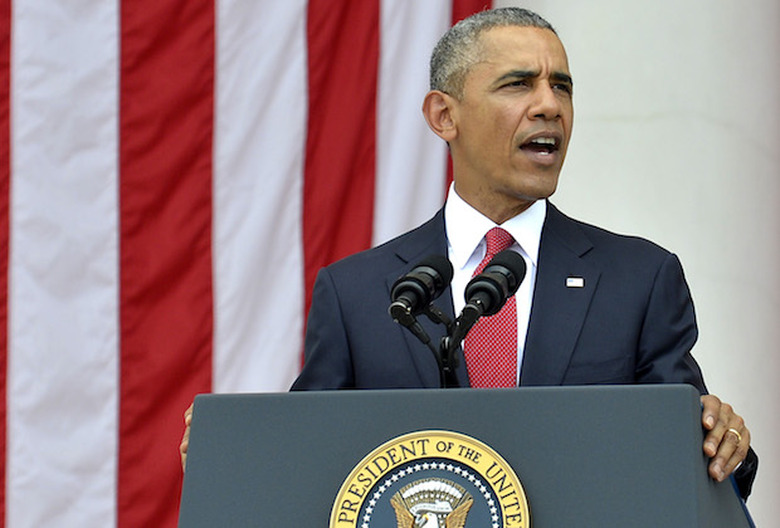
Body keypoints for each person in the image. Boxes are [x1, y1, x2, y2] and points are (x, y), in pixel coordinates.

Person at [181, 7, 757, 498]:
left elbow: (689, 459)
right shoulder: (357, 292)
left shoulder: (639, 278)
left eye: (562, 85)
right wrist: (229, 449)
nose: (549, 105)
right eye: (518, 84)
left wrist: (723, 442)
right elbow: (307, 462)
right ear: (444, 116)